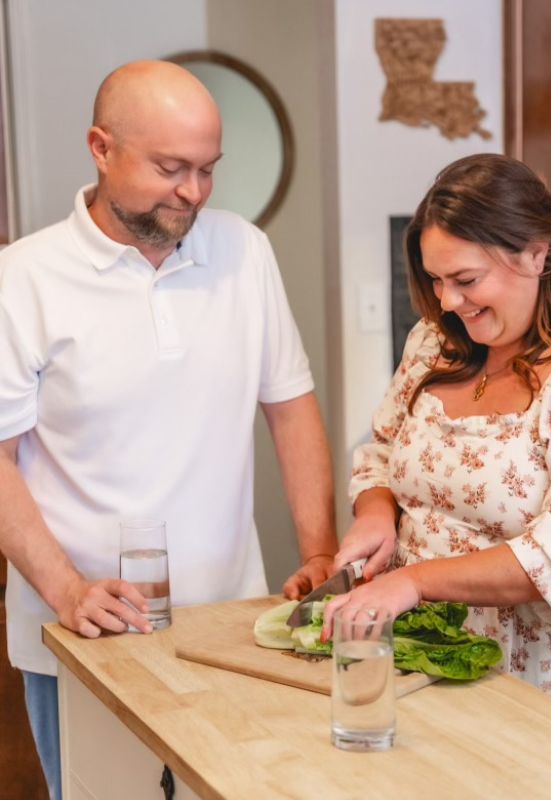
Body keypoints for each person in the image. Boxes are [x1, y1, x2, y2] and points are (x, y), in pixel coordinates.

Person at [0, 60, 337, 799]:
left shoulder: (244, 252)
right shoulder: (21, 279)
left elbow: (290, 406)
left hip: (230, 630)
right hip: (85, 640)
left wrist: (319, 549)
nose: (193, 192)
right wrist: (66, 591)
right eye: (170, 168)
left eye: (208, 170)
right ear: (100, 147)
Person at [322, 153, 551, 715]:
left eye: (466, 280)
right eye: (436, 280)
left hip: (534, 684)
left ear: (535, 254)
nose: (448, 302)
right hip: (416, 660)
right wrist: (375, 514)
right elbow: (379, 453)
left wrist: (413, 583)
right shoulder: (434, 342)